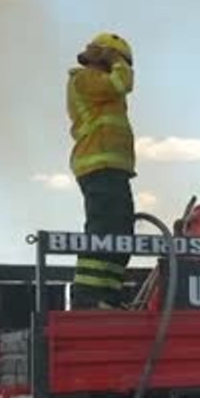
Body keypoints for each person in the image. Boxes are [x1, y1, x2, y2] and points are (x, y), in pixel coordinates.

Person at [67, 32, 136, 309]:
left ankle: (107, 294)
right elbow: (123, 82)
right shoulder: (85, 78)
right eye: (118, 59)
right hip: (98, 165)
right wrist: (118, 61)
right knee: (104, 230)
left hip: (112, 169)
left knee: (120, 234)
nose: (123, 66)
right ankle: (88, 296)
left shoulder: (100, 85)